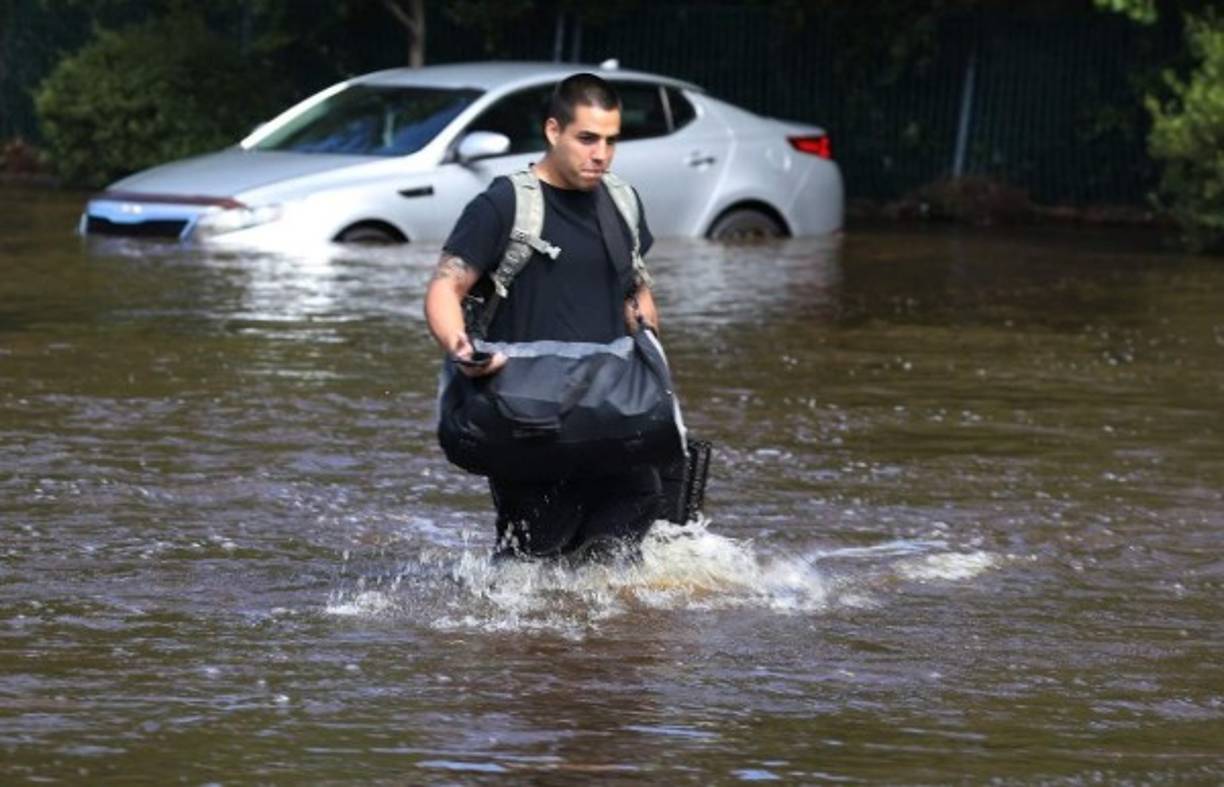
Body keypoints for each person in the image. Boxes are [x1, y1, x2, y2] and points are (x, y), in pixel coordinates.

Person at [424, 73, 665, 563]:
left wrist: (654, 370)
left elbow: (635, 290)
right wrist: (462, 348)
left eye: (611, 141)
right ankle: (521, 642)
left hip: (609, 408)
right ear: (554, 131)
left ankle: (607, 640)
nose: (600, 153)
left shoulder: (622, 201)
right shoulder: (503, 204)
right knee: (537, 553)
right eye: (587, 138)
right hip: (526, 416)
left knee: (634, 516)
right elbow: (446, 286)